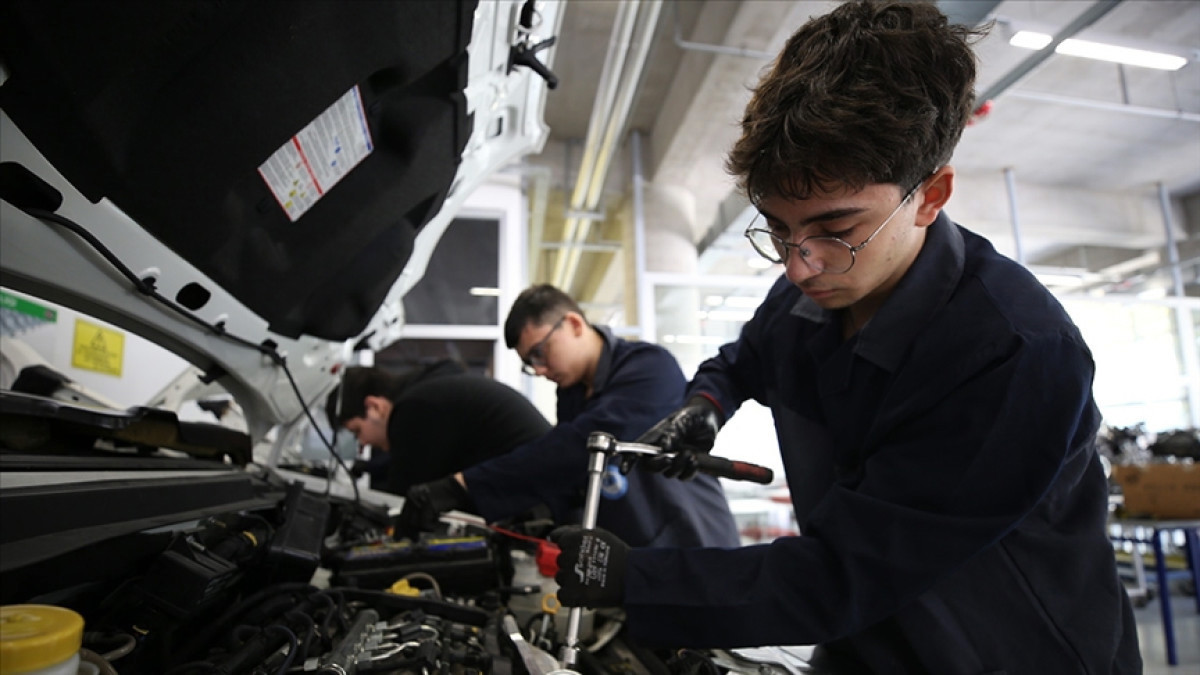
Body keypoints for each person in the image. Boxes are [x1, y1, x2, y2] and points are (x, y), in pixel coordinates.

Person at [550, 1, 1141, 672]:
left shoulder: (1015, 355)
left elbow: (848, 572)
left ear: (930, 196)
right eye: (779, 228)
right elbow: (742, 360)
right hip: (861, 646)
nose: (799, 265)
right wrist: (705, 406)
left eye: (836, 230)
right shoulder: (805, 301)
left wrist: (637, 578)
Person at [396, 284, 741, 549]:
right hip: (634, 553)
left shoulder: (649, 367)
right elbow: (574, 481)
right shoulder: (573, 395)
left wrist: (462, 486)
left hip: (691, 541)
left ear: (574, 323)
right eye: (530, 364)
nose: (539, 369)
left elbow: (576, 449)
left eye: (539, 353)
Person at [327, 361, 551, 496]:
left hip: (536, 494)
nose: (363, 442)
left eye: (357, 431)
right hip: (541, 483)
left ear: (374, 406)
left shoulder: (413, 410)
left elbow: (405, 497)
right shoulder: (430, 394)